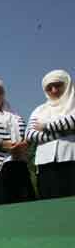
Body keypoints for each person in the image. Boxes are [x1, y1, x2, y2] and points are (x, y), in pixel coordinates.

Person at [25, 69, 75, 199]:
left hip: (71, 159)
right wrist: (65, 132)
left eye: (58, 85)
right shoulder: (40, 110)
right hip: (45, 164)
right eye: (49, 88)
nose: (54, 90)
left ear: (67, 84)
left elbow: (72, 121)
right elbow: (30, 134)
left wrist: (46, 126)